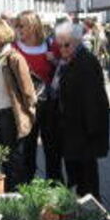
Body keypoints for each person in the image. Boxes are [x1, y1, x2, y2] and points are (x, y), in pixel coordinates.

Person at [0, 18, 37, 192]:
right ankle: (10, 191)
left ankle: (17, 193)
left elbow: (27, 89)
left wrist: (30, 112)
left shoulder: (13, 57)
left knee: (14, 158)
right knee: (5, 157)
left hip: (12, 114)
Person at [55, 22, 110, 199]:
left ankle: (93, 213)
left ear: (77, 42)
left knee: (87, 178)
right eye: (59, 44)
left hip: (84, 131)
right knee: (75, 175)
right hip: (72, 129)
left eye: (66, 44)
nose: (62, 48)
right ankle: (81, 211)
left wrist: (92, 131)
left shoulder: (85, 62)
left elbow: (93, 99)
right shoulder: (69, 61)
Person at [14, 10, 63, 183]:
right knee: (27, 148)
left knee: (52, 148)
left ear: (34, 26)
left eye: (22, 25)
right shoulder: (14, 47)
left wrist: (55, 61)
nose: (18, 29)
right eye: (17, 25)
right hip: (25, 105)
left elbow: (66, 67)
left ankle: (55, 187)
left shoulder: (51, 45)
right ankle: (27, 186)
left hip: (49, 105)